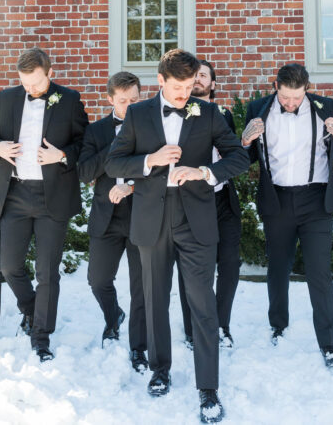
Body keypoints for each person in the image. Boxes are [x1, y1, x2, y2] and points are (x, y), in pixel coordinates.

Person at [105, 49, 248, 424]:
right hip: (151, 217)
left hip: (196, 218)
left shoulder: (210, 113)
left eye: (189, 86)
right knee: (154, 299)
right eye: (178, 87)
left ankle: (208, 387)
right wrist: (149, 161)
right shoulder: (137, 114)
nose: (185, 94)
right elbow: (113, 163)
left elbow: (238, 159)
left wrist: (203, 171)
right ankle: (159, 369)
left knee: (202, 301)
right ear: (161, 82)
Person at [0, 47, 88, 361]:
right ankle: (31, 309)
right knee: (8, 266)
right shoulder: (8, 99)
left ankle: (41, 336)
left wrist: (62, 155)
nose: (31, 89)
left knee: (47, 272)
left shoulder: (69, 100)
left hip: (52, 196)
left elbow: (85, 144)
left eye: (37, 83)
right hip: (14, 193)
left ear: (50, 74)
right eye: (26, 84)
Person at [241, 63, 333, 369]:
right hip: (277, 199)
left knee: (319, 272)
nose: (291, 103)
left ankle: (328, 344)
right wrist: (245, 139)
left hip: (315, 199)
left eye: (297, 97)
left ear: (307, 89)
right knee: (278, 267)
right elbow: (243, 157)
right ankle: (278, 324)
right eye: (286, 97)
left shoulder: (325, 107)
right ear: (276, 86)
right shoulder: (257, 109)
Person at [78, 71, 148, 372]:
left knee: (140, 287)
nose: (130, 106)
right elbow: (84, 173)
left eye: (135, 100)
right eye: (123, 101)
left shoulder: (150, 127)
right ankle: (112, 317)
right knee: (98, 280)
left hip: (141, 216)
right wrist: (117, 144)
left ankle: (139, 346)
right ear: (110, 100)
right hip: (106, 218)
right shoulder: (96, 132)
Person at [177, 57, 241, 350]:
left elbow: (232, 156)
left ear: (212, 84)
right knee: (192, 271)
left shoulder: (222, 114)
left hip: (223, 200)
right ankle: (192, 330)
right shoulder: (176, 115)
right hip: (191, 202)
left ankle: (221, 324)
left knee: (229, 266)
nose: (199, 79)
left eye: (204, 76)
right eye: (195, 76)